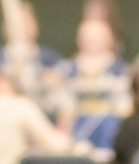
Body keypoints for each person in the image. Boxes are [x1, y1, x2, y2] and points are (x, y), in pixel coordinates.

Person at [56, 19, 132, 150]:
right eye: (88, 37)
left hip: (109, 128)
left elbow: (125, 106)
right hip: (76, 128)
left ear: (109, 39)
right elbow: (63, 106)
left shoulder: (120, 70)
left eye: (97, 37)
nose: (92, 41)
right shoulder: (67, 70)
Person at [0, 0, 63, 112]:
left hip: (41, 107)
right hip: (6, 108)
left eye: (25, 23)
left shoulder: (48, 57)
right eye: (15, 24)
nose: (21, 28)